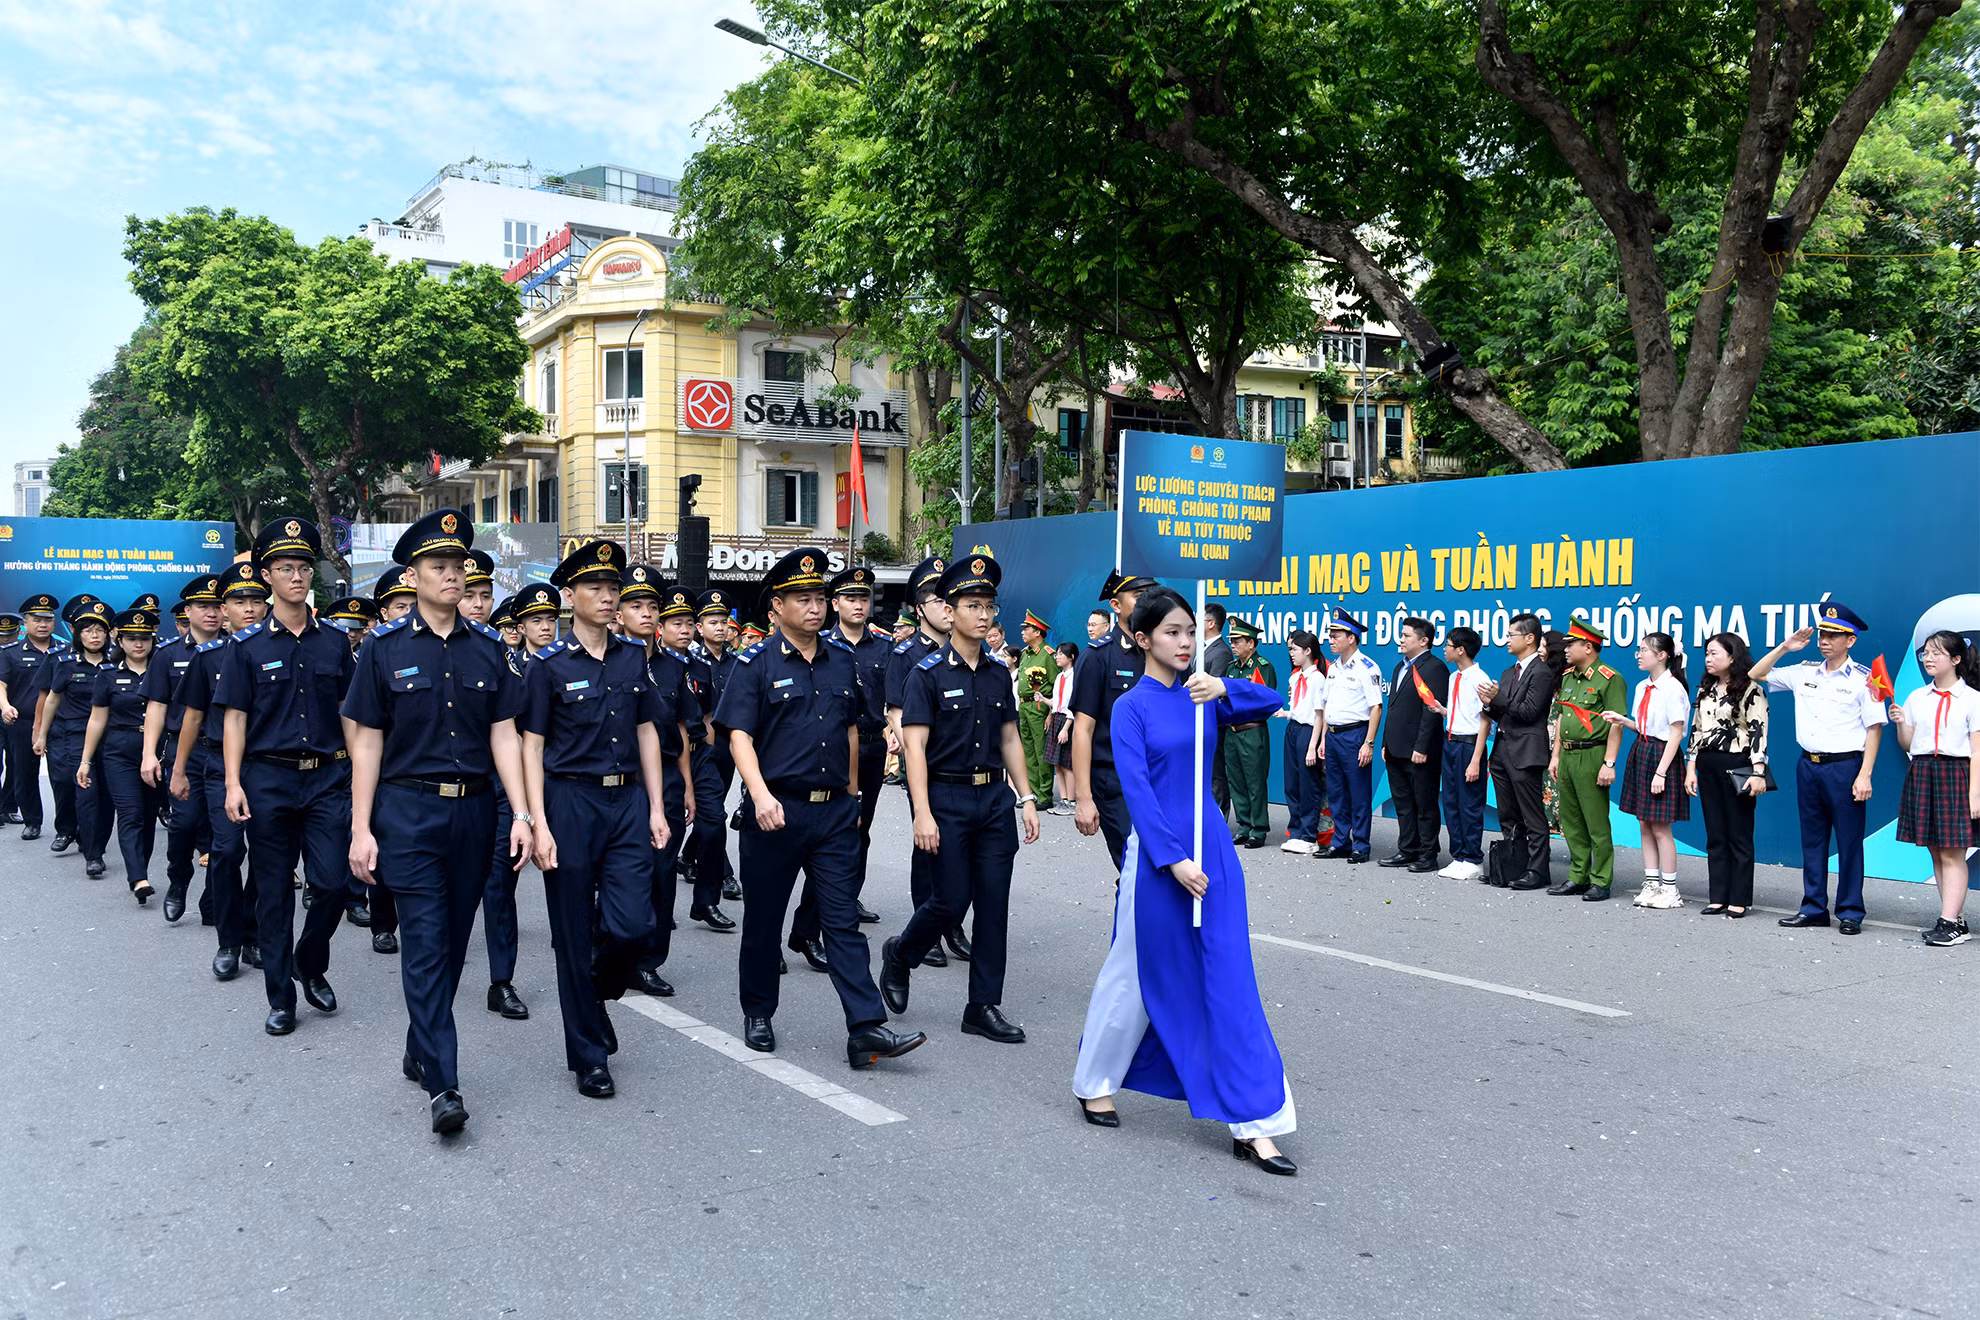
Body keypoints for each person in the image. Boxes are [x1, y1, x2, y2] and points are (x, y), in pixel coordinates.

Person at [1070, 586, 1296, 1175]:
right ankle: (1094, 1080)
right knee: (1133, 975)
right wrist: (1171, 860)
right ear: (1142, 639)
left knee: (1229, 974)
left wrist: (1225, 686)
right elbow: (1136, 789)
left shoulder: (1204, 694)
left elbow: (1273, 698)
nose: (1185, 642)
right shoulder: (1132, 707)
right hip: (1157, 858)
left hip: (1214, 852)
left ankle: (1254, 1121)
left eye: (1191, 632)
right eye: (1171, 632)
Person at [341, 511, 532, 1132]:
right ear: (413, 575)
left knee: (451, 942)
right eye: (438, 566)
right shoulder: (383, 648)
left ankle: (420, 1040)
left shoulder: (489, 648)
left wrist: (522, 812)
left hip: (475, 811)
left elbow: (504, 733)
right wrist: (361, 827)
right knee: (424, 939)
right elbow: (367, 742)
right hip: (409, 811)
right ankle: (443, 1084)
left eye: (459, 566)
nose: (452, 575)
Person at [713, 546, 925, 1069]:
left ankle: (865, 1027)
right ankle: (758, 1010)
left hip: (833, 813)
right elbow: (738, 735)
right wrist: (758, 795)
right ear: (775, 608)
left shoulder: (842, 660)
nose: (815, 607)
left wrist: (853, 797)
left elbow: (852, 729)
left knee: (842, 922)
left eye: (819, 598)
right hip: (776, 810)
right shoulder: (755, 663)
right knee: (764, 920)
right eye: (802, 598)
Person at [519, 538, 670, 1099]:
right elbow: (531, 747)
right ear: (570, 596)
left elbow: (648, 731)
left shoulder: (635, 657)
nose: (609, 598)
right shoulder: (548, 667)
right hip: (569, 802)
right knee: (572, 933)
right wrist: (537, 821)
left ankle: (599, 992)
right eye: (597, 589)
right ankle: (588, 1056)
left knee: (634, 926)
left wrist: (656, 806)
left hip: (628, 800)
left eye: (614, 589)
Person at [878, 553, 1040, 1043]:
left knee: (992, 904)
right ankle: (901, 955)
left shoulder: (996, 673)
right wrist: (921, 813)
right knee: (950, 900)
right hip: (945, 799)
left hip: (992, 800)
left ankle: (982, 1006)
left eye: (989, 605)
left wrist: (1027, 797)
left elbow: (1009, 738)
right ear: (949, 612)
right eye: (972, 604)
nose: (983, 614)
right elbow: (916, 748)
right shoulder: (925, 674)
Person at [216, 518, 356, 1036]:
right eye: (285, 568)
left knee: (333, 884)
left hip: (326, 780)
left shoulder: (334, 643)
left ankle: (309, 961)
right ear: (266, 576)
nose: (297, 576)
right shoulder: (246, 647)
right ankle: (281, 996)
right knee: (273, 894)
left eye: (303, 568)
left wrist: (360, 772)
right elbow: (234, 718)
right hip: (268, 781)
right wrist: (233, 783)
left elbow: (348, 710)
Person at [1751, 604, 1885, 935]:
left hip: (1845, 766)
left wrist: (1865, 774)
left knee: (1850, 842)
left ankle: (1851, 910)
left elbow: (1874, 729)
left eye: (1833, 635)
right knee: (1812, 840)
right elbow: (1756, 674)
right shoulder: (1804, 671)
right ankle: (1813, 907)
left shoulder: (1865, 679)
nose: (1824, 641)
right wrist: (1785, 647)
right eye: (1823, 634)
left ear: (1850, 640)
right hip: (1808, 764)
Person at [171, 562, 268, 979]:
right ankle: (228, 940)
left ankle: (253, 934)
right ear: (224, 609)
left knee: (268, 858)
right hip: (215, 765)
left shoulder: (276, 649)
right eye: (238, 601)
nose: (249, 608)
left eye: (255, 600)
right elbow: (192, 718)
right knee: (227, 852)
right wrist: (178, 770)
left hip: (266, 767)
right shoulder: (209, 656)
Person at [455, 550, 526, 1017]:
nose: (478, 604)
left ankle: (501, 980)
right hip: (448, 793)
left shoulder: (499, 654)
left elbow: (514, 732)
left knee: (500, 888)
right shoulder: (418, 647)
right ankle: (439, 983)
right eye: (472, 595)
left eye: (485, 596)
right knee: (448, 900)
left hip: (497, 790)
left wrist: (525, 810)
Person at [884, 556, 960, 967]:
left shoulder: (964, 651)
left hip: (960, 764)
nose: (945, 606)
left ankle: (951, 923)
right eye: (936, 599)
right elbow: (894, 709)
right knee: (927, 844)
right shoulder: (905, 654)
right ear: (920, 608)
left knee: (961, 847)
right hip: (924, 761)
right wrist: (907, 744)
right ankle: (924, 924)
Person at [627, 575, 700, 995]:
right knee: (618, 871)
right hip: (621, 779)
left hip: (669, 779)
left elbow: (681, 730)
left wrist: (687, 787)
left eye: (651, 606)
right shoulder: (611, 661)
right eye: (636, 605)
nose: (646, 613)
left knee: (661, 873)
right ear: (619, 612)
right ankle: (613, 943)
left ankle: (650, 960)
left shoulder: (674, 667)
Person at [141, 576, 228, 923]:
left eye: (215, 606)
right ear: (187, 611)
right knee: (184, 825)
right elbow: (157, 707)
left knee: (224, 834)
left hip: (225, 751)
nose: (210, 614)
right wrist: (149, 753)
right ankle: (178, 880)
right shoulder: (168, 655)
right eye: (202, 607)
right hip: (184, 753)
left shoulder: (236, 648)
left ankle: (212, 897)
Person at [1888, 630, 1980, 947]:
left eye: (1936, 653)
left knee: (1954, 853)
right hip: (1924, 770)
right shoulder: (1917, 698)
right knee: (1936, 851)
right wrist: (1901, 722)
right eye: (1926, 652)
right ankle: (1953, 919)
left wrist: (1975, 793)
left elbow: (1978, 750)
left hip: (1958, 773)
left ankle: (1950, 922)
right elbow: (1909, 744)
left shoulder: (1973, 699)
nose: (1928, 658)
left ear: (1955, 659)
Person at [79, 608, 168, 905]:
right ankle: (138, 877)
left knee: (147, 814)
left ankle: (139, 866)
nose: (139, 644)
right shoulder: (108, 674)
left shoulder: (164, 669)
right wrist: (86, 760)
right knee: (129, 812)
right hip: (119, 750)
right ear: (120, 640)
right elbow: (96, 719)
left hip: (157, 751)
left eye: (144, 638)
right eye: (131, 638)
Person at [1071, 569, 1157, 870]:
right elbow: (1083, 729)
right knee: (1136, 866)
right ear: (1116, 605)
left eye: (1152, 593)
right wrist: (1084, 798)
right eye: (1138, 595)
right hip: (1116, 780)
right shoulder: (1098, 656)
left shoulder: (1163, 651)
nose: (1148, 601)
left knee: (1164, 868)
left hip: (1159, 776)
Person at [1685, 633, 1770, 918]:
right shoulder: (1705, 690)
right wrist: (1690, 768)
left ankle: (1739, 898)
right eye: (1706, 653)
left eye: (1714, 653)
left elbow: (1759, 732)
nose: (1708, 659)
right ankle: (1718, 895)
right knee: (1715, 834)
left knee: (1739, 833)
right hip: (1708, 764)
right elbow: (1695, 731)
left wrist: (1758, 772)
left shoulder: (1751, 690)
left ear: (1732, 657)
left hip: (1738, 764)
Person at [1609, 632, 1691, 910]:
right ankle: (1652, 884)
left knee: (1660, 826)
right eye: (1639, 650)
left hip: (1661, 755)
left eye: (1644, 650)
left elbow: (1675, 733)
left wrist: (1661, 772)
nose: (1639, 655)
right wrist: (1623, 720)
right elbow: (1644, 726)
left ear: (1662, 655)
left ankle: (1670, 890)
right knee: (1644, 823)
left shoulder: (1673, 688)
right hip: (1642, 750)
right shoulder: (1643, 686)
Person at [1547, 616, 1626, 901]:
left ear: (1589, 647)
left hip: (1593, 753)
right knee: (1571, 821)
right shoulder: (1568, 677)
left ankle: (1601, 879)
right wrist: (1555, 756)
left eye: (1572, 644)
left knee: (1595, 821)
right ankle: (1577, 876)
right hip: (1567, 754)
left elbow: (1616, 723)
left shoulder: (1609, 678)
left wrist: (1609, 763)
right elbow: (1560, 719)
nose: (1565, 649)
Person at [1477, 613, 1554, 890]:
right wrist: (1489, 704)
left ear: (1530, 638)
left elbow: (1529, 711)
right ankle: (1513, 865)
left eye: (1512, 635)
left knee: (1532, 815)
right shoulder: (1510, 672)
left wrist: (1498, 698)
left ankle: (1537, 870)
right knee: (1507, 814)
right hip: (1502, 751)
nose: (1507, 639)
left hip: (1526, 752)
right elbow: (1505, 712)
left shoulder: (1542, 673)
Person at [38, 601, 112, 879]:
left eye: (99, 631)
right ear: (78, 635)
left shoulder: (115, 664)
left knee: (107, 799)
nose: (94, 635)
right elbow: (51, 701)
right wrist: (42, 735)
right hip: (74, 737)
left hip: (111, 739)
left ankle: (95, 842)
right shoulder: (67, 664)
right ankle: (93, 855)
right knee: (86, 794)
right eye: (88, 631)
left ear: (107, 635)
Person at [689, 587, 744, 906]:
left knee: (713, 807)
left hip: (729, 744)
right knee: (713, 812)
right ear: (700, 627)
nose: (720, 627)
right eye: (713, 622)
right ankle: (724, 873)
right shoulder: (692, 661)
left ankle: (687, 857)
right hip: (700, 744)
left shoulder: (737, 662)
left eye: (724, 621)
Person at [1381, 617, 1449, 872]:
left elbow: (1431, 711)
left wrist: (1421, 747)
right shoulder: (1400, 667)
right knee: (1403, 803)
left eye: (1407, 635)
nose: (1401, 639)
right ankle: (1407, 849)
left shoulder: (1434, 668)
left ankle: (1428, 854)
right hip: (1396, 749)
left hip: (1420, 752)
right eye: (1401, 634)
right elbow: (1394, 708)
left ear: (1423, 640)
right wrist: (1386, 742)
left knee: (1424, 804)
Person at [1317, 608, 1383, 863]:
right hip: (1333, 736)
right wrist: (1323, 739)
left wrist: (1368, 742)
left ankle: (1361, 845)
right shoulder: (1333, 668)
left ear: (1351, 637)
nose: (1331, 640)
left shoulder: (1367, 667)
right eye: (1330, 635)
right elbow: (1327, 707)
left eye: (1336, 635)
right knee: (1336, 792)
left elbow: (1376, 707)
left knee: (1358, 793)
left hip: (1355, 735)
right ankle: (1340, 841)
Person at [2, 593, 66, 839]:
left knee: (62, 776)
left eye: (47, 620)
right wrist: (5, 706)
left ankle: (66, 827)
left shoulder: (64, 651)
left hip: (60, 723)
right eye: (36, 619)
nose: (42, 625)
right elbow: (1, 684)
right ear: (25, 624)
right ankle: (32, 821)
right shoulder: (10, 652)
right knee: (24, 773)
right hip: (23, 721)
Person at [1430, 627, 1492, 881]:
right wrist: (1443, 711)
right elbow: (1462, 713)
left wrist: (1476, 760)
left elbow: (1484, 722)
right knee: (1451, 802)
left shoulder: (1480, 679)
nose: (1444, 649)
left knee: (1470, 804)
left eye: (1448, 644)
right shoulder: (1454, 677)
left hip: (1469, 747)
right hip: (1451, 742)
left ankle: (1473, 858)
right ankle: (1459, 856)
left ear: (1461, 650)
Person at [1222, 617, 1276, 848]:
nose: (1232, 645)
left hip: (1252, 731)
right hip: (1232, 732)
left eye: (1237, 640)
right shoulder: (1231, 668)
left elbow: (1265, 700)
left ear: (1251, 643)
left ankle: (1259, 829)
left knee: (1255, 782)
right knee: (1236, 781)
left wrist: (1240, 699)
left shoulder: (1263, 667)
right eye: (1231, 640)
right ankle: (1243, 825)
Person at [1277, 630, 1325, 854]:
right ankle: (1295, 831)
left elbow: (1318, 715)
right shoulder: (1295, 677)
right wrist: (1287, 713)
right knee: (1292, 783)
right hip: (1293, 729)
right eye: (1289, 650)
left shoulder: (1317, 678)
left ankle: (1309, 835)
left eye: (1294, 649)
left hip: (1308, 732)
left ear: (1308, 651)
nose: (1291, 654)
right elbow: (1299, 708)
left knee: (1308, 785)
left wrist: (1313, 746)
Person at [1014, 610, 1057, 806]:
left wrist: (1050, 713)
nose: (1023, 632)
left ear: (1037, 632)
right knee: (1028, 752)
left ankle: (1045, 795)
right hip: (1024, 707)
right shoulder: (1025, 654)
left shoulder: (1048, 655)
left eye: (1027, 629)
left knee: (1041, 753)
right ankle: (1032, 793)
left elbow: (1057, 686)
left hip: (1039, 708)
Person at [1200, 602, 1234, 817]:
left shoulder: (1221, 652)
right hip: (1197, 719)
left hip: (1211, 720)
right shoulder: (1201, 648)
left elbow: (1213, 688)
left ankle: (1220, 816)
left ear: (1211, 623)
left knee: (1215, 772)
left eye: (1200, 619)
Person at [1044, 641, 1080, 814]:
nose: (1057, 657)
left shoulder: (1076, 677)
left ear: (1071, 657)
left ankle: (1072, 802)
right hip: (1056, 718)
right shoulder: (1059, 677)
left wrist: (1066, 728)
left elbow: (1072, 705)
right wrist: (1044, 702)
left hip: (1067, 721)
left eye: (1060, 654)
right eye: (1056, 653)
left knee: (1067, 764)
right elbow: (1057, 703)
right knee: (1056, 764)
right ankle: (1063, 800)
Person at [515, 583, 561, 655]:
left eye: (551, 620)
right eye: (536, 621)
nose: (546, 627)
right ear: (522, 629)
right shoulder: (512, 665)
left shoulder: (567, 664)